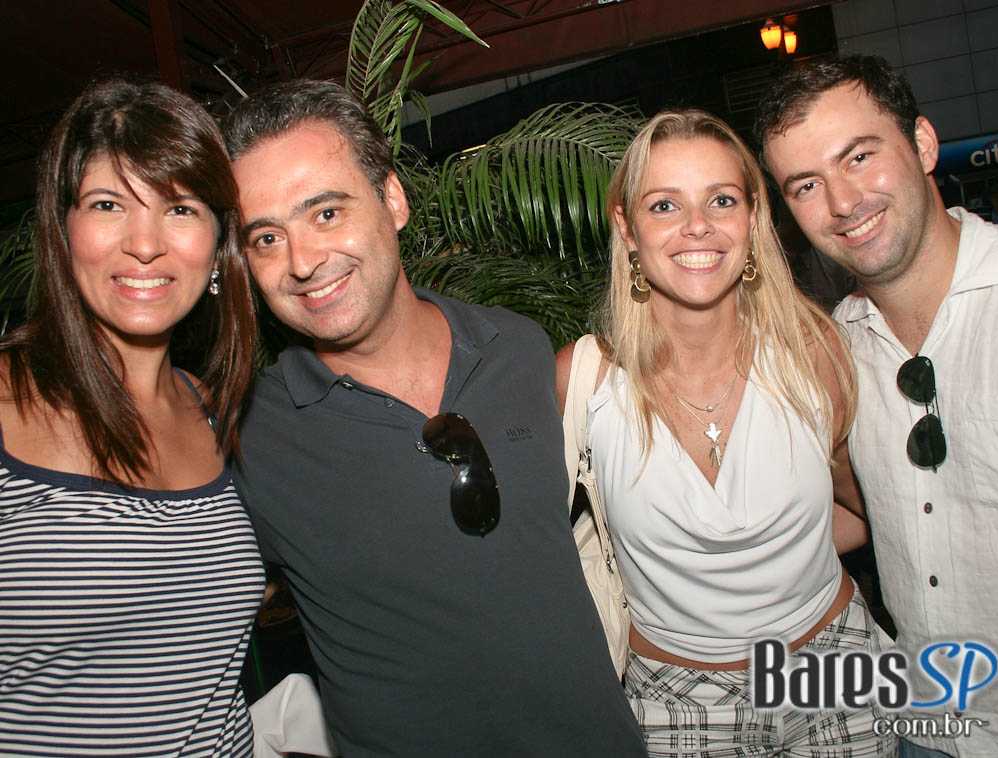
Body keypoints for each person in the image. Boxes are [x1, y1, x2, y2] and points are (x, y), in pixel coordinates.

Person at [221, 79, 645, 757]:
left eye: (326, 214)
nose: (302, 262)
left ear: (392, 199)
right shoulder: (252, 435)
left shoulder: (519, 348)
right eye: (267, 237)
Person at [555, 108, 895, 757]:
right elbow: (526, 560)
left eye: (721, 199)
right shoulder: (586, 381)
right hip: (674, 702)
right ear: (626, 228)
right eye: (664, 205)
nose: (697, 226)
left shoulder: (811, 352)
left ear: (751, 218)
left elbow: (868, 507)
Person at [757, 55, 998, 757]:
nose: (842, 201)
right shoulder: (831, 352)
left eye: (859, 156)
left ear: (925, 145)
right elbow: (860, 512)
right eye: (806, 184)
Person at [0, 79, 264, 755]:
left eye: (180, 208)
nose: (145, 244)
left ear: (216, 245)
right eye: (109, 203)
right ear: (63, 230)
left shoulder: (218, 413)